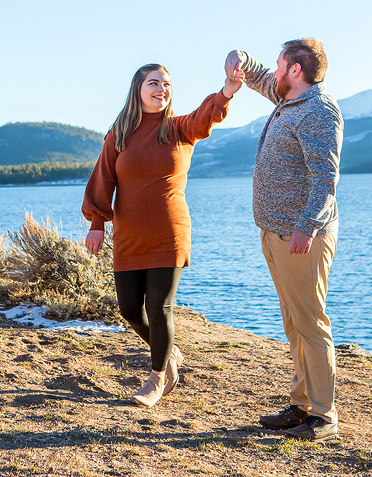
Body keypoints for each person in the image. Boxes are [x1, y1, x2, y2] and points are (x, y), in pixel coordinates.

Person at [82, 61, 244, 407]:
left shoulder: (177, 129)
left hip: (169, 234)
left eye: (167, 84)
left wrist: (227, 90)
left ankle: (157, 379)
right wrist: (97, 224)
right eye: (154, 83)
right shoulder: (119, 134)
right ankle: (168, 353)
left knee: (159, 306)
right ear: (138, 90)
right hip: (129, 237)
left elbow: (205, 117)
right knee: (129, 309)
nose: (162, 89)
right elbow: (103, 179)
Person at [225, 39, 343, 441]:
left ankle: (324, 417)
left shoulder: (318, 111)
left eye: (280, 65)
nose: (273, 71)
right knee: (294, 322)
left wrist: (307, 225)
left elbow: (325, 178)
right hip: (276, 231)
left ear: (296, 71)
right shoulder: (290, 99)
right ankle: (302, 405)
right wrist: (241, 58)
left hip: (300, 237)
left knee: (310, 322)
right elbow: (259, 78)